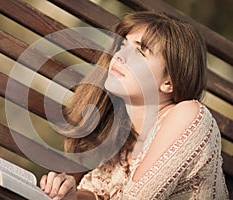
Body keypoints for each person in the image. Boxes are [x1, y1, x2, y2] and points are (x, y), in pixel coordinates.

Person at [39, 11, 229, 200]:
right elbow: (96, 192)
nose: (120, 56)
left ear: (169, 82)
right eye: (123, 45)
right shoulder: (125, 138)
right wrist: (72, 196)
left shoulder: (189, 115)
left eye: (139, 51)